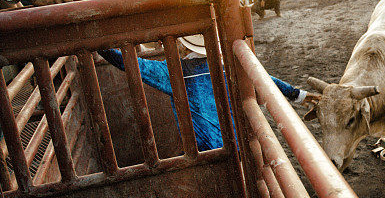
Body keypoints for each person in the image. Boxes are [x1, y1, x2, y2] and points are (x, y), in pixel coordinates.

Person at [98, 35, 318, 152]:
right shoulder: (229, 66)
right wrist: (298, 94)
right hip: (240, 140)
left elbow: (127, 62)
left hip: (204, 148)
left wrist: (95, 42)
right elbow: (264, 79)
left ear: (183, 48)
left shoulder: (173, 72)